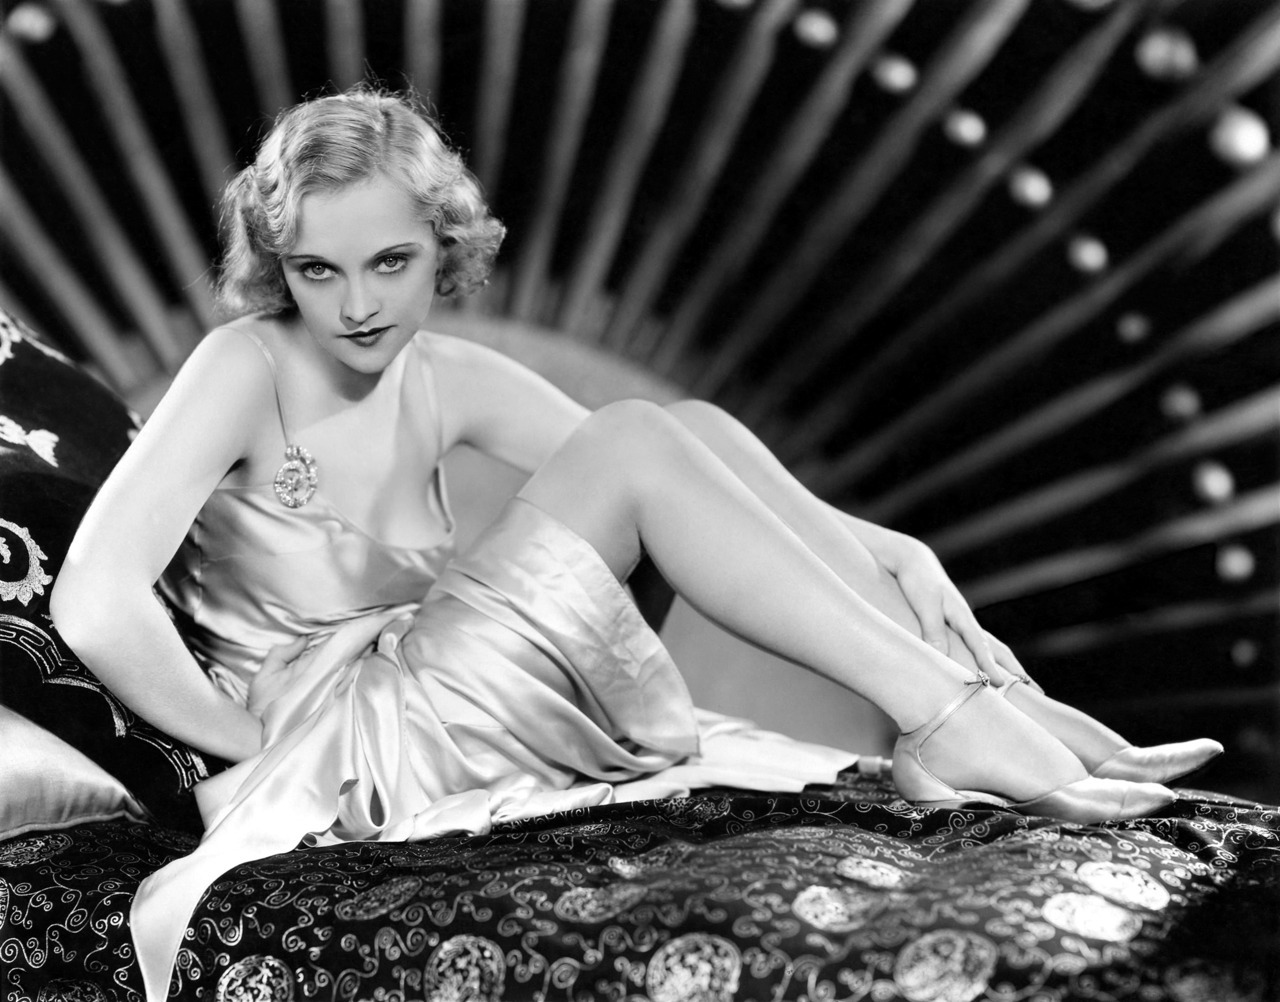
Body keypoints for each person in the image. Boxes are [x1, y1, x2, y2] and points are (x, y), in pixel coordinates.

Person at [49, 88, 1220, 1000]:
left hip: (424, 705)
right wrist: (249, 750)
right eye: (317, 271)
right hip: (340, 745)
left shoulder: (441, 375)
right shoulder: (243, 364)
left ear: (441, 245)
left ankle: (976, 704)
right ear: (277, 265)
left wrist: (890, 548)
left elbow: (687, 470)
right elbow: (95, 604)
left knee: (681, 427)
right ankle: (945, 715)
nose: (355, 306)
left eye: (390, 263)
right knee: (634, 441)